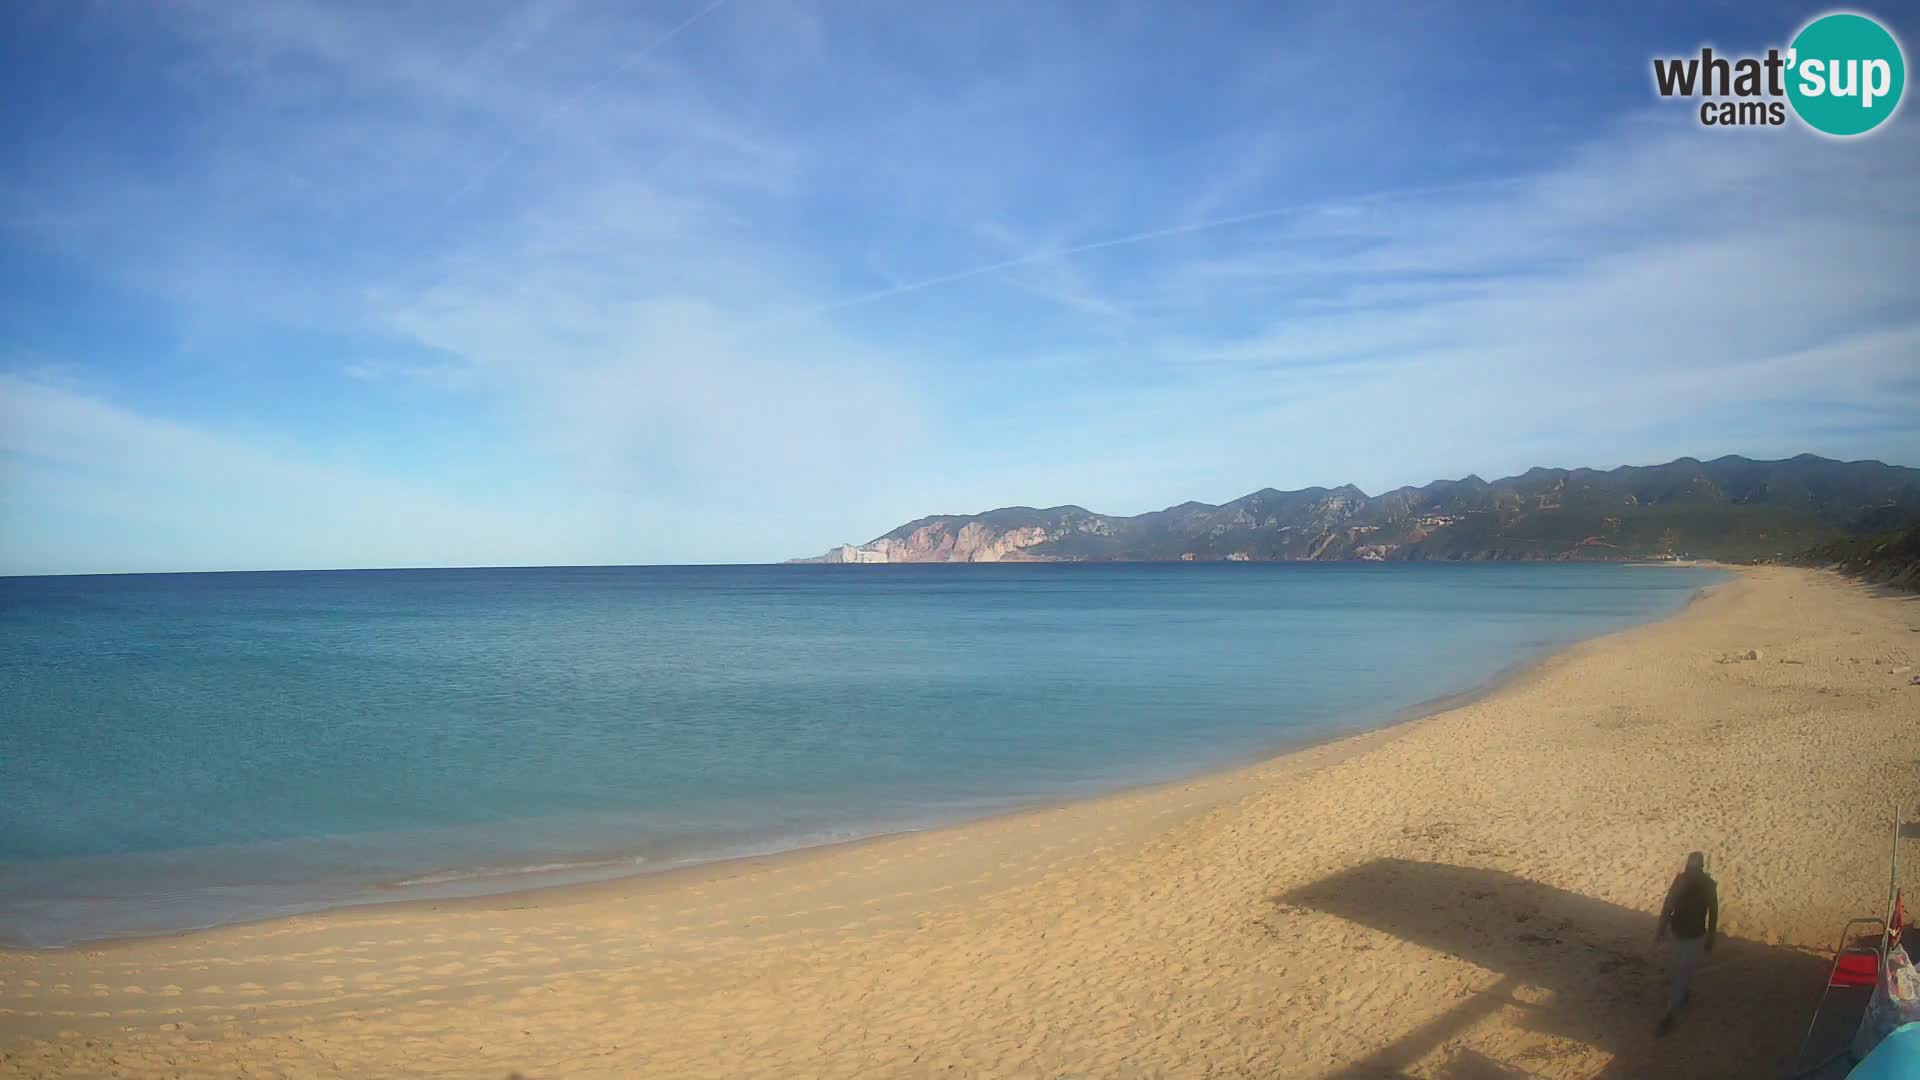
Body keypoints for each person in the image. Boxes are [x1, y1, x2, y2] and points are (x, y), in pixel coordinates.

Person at [1654, 851, 1718, 1035]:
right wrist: (1711, 937)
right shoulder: (1708, 884)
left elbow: (1668, 906)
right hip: (1696, 933)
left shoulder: (1680, 881)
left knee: (1679, 969)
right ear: (1702, 866)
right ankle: (1670, 1012)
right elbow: (1713, 912)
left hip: (1677, 931)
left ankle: (1679, 997)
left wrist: (1660, 930)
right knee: (1685, 970)